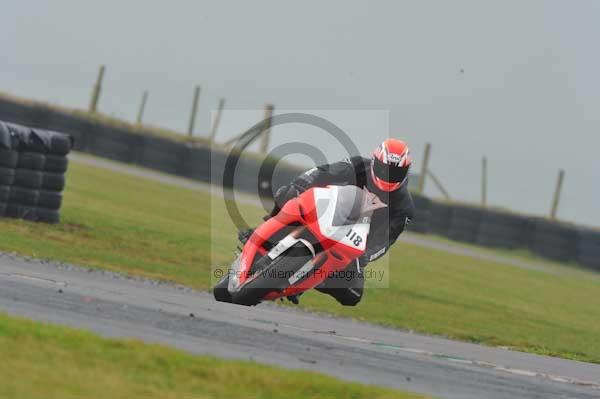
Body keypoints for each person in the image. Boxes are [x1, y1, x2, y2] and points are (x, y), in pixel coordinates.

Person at [240, 139, 415, 306]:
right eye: (385, 169)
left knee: (352, 294)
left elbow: (385, 242)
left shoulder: (404, 207)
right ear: (376, 161)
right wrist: (300, 185)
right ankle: (263, 229)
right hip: (325, 213)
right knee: (287, 193)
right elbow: (321, 172)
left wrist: (366, 255)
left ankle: (307, 279)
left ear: (406, 171)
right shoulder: (357, 165)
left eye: (396, 172)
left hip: (353, 242)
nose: (389, 176)